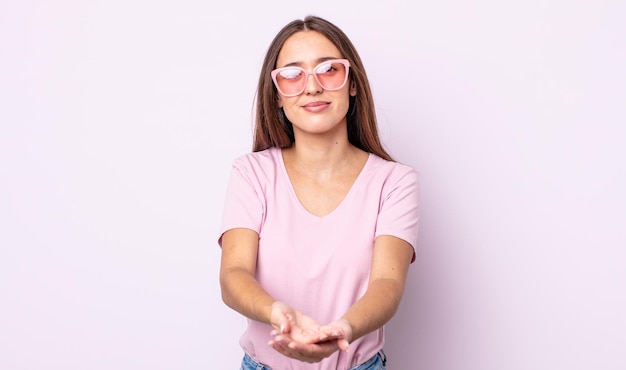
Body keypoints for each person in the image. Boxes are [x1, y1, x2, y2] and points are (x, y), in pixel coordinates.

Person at [218, 15, 420, 370]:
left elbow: (388, 283)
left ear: (352, 83)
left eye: (329, 69)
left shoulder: (395, 182)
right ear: (277, 96)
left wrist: (343, 330)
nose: (312, 87)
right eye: (293, 75)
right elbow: (233, 274)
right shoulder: (251, 174)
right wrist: (277, 313)